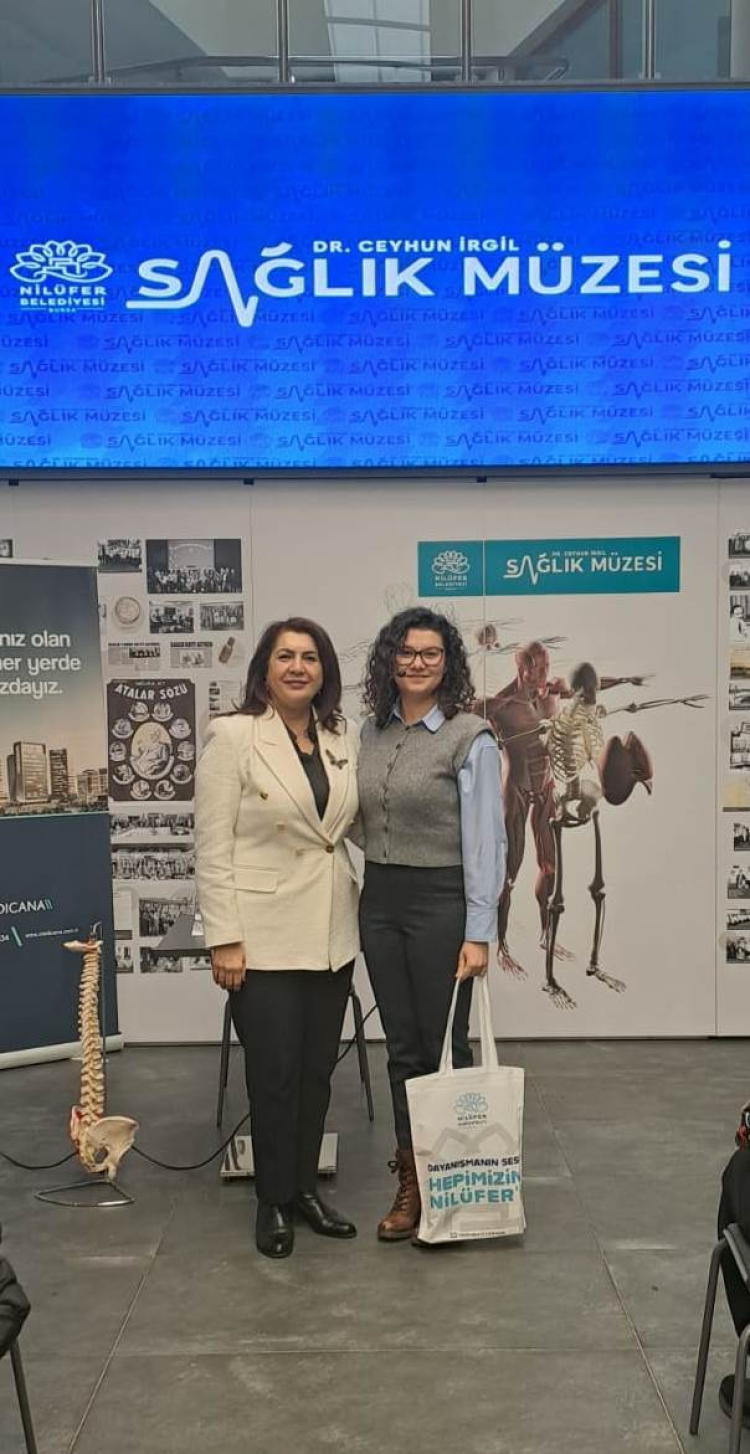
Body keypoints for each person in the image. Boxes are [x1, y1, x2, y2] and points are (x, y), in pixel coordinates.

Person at [195, 617, 360, 1259]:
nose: (298, 667)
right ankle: (272, 1201)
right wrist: (224, 939)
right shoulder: (233, 736)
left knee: (317, 1073)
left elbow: (347, 824)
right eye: (285, 656)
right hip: (260, 938)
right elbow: (212, 848)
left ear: (324, 672)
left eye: (310, 657)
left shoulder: (341, 736)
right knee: (274, 1075)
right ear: (264, 668)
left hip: (331, 931)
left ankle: (304, 1191)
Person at [356, 606, 506, 1242]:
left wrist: (478, 931)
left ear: (448, 664)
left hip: (443, 902)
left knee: (446, 1046)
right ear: (389, 659)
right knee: (401, 1048)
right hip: (380, 902)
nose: (417, 663)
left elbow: (487, 842)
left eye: (431, 653)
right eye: (406, 651)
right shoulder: (371, 732)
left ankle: (454, 1181)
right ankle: (413, 1180)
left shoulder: (470, 736)